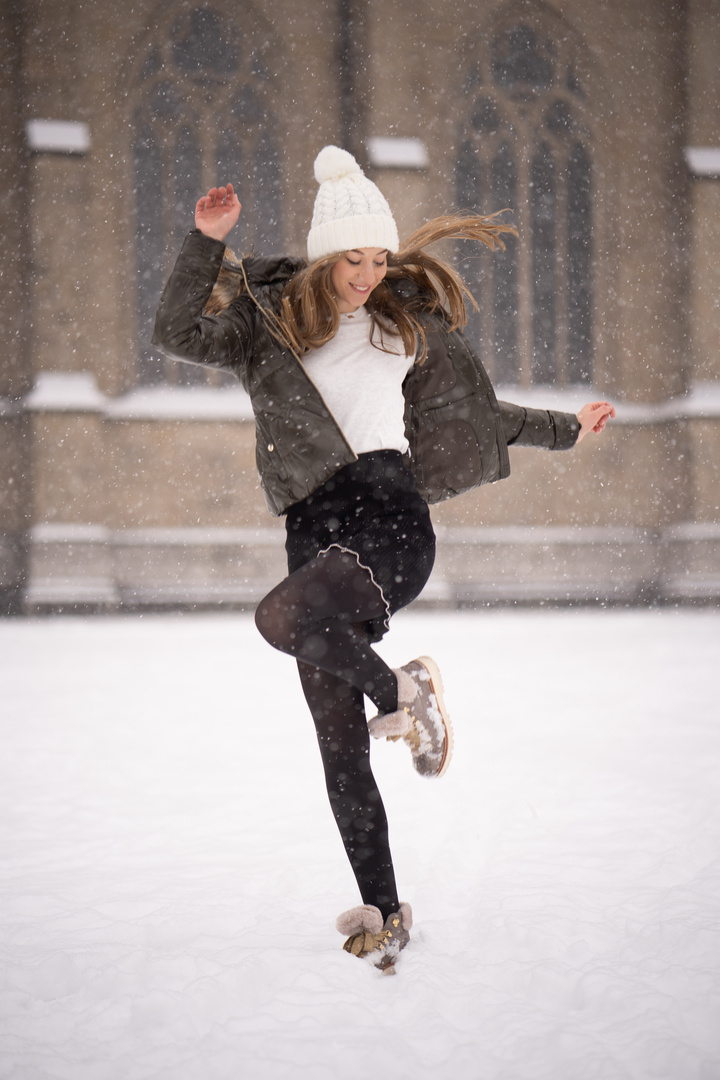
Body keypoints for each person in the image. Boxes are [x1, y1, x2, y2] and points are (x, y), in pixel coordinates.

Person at [152, 145, 614, 973]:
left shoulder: (404, 325)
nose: (367, 274)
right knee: (339, 746)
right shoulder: (268, 332)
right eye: (352, 258)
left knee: (280, 616)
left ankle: (403, 689)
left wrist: (567, 428)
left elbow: (479, 413)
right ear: (326, 256)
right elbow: (176, 331)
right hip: (311, 527)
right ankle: (387, 906)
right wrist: (204, 240)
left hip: (390, 518)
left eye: (377, 258)